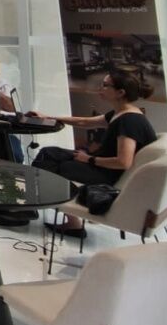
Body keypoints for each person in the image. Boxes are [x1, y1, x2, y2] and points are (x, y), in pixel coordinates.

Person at [30, 69, 158, 239]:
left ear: (120, 92)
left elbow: (123, 162)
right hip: (102, 166)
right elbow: (84, 122)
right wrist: (49, 118)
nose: (100, 88)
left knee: (55, 165)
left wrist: (89, 159)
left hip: (107, 174)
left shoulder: (129, 121)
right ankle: (52, 209)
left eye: (105, 85)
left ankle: (45, 208)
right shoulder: (122, 113)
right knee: (49, 153)